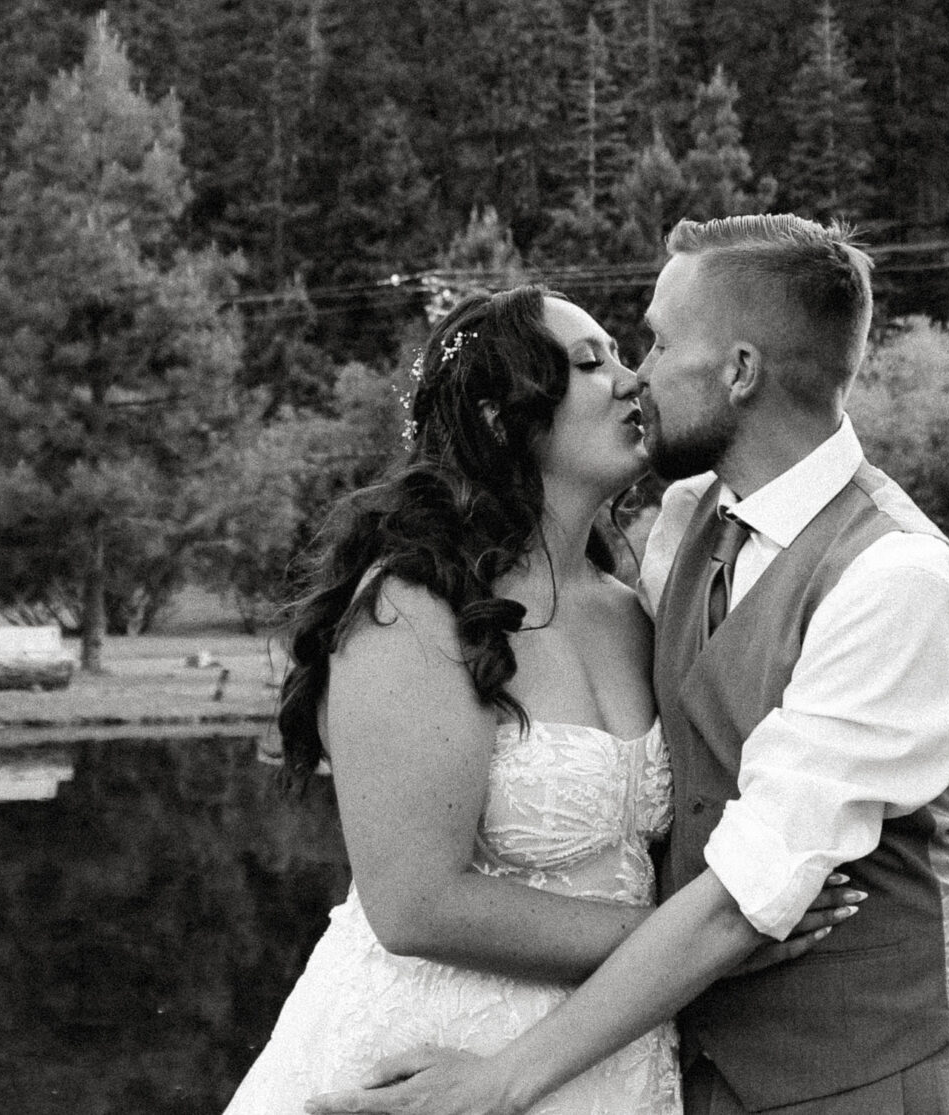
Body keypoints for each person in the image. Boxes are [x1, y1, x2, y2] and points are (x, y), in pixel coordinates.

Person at [310, 215, 949, 1115]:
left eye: (656, 341)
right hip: (653, 1066)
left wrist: (498, 1087)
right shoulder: (684, 523)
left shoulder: (896, 579)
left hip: (850, 1081)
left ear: (741, 371)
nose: (638, 371)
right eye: (605, 356)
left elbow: (746, 896)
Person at [226, 284, 849, 1115]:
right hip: (436, 1057)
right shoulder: (412, 606)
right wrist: (703, 944)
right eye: (591, 363)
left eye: (624, 356)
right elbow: (415, 902)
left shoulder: (632, 609)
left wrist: (703, 939)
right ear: (496, 418)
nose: (633, 380)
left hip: (610, 1055)